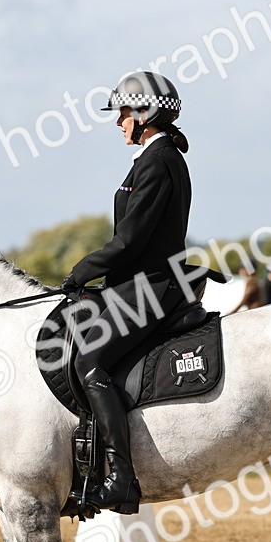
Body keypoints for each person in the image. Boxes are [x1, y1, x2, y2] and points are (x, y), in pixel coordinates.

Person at [60, 71, 192, 515]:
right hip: (137, 284)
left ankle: (120, 479)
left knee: (90, 361)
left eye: (122, 113)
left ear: (145, 113)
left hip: (153, 289)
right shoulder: (152, 159)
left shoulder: (158, 162)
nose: (118, 122)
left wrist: (84, 269)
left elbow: (130, 241)